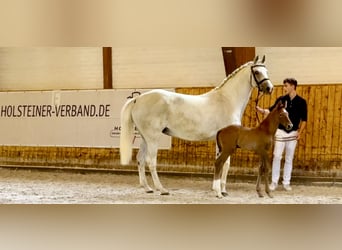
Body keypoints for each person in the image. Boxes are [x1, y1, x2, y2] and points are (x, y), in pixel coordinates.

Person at [256, 78, 307, 191]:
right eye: (284, 86)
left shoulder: (301, 102)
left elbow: (304, 120)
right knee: (277, 156)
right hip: (280, 132)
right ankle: (274, 182)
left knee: (289, 158)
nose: (284, 88)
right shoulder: (281, 100)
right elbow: (271, 110)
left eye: (286, 86)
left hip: (293, 133)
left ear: (293, 86)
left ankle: (286, 182)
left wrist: (300, 133)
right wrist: (261, 110)